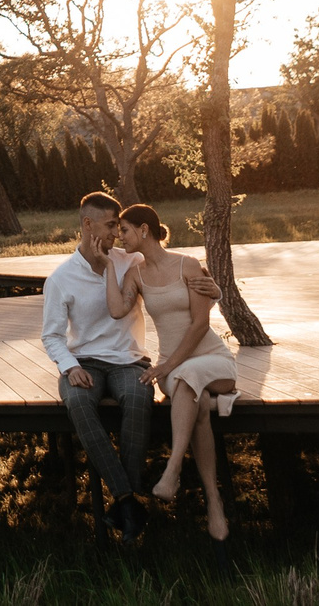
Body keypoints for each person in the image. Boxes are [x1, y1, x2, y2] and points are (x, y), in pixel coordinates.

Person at [39, 191, 218, 542]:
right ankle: (128, 499)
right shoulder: (61, 279)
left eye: (119, 227)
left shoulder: (130, 261)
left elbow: (174, 275)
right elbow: (52, 336)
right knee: (77, 403)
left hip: (129, 360)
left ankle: (124, 503)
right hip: (84, 362)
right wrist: (69, 366)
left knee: (138, 401)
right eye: (109, 226)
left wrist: (215, 291)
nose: (116, 234)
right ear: (87, 225)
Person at [106, 201, 241, 553]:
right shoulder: (135, 274)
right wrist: (108, 265)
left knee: (186, 378)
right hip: (175, 369)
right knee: (194, 404)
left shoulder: (188, 265)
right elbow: (117, 310)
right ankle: (214, 500)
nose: (120, 237)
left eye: (124, 230)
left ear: (144, 230)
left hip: (210, 360)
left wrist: (165, 367)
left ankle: (174, 469)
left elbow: (200, 325)